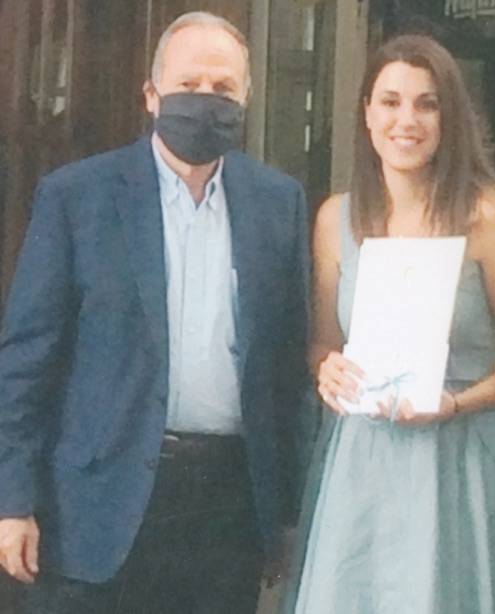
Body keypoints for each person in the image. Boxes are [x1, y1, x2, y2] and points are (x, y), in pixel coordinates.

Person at [0, 11, 310, 614]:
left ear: (246, 98)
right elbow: (26, 363)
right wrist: (12, 499)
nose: (206, 100)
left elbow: (284, 369)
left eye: (223, 88)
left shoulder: (278, 204)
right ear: (151, 94)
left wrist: (285, 514)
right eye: (188, 84)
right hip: (97, 505)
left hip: (227, 507)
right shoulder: (77, 198)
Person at [281, 34, 495, 614]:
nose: (407, 120)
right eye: (391, 101)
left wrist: (456, 403)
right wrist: (326, 370)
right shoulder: (335, 219)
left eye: (427, 104)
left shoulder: (489, 215)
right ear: (367, 113)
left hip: (462, 456)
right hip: (365, 457)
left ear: (449, 117)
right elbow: (323, 343)